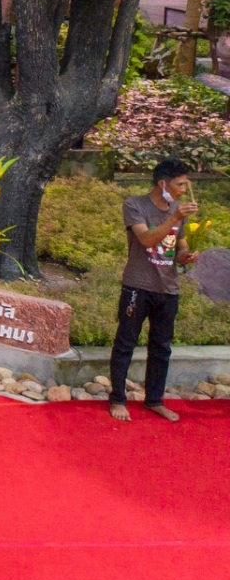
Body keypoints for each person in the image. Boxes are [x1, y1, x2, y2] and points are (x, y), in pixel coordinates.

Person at [112, 158, 199, 423]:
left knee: (162, 346)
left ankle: (154, 400)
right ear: (162, 183)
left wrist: (186, 256)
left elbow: (179, 246)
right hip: (138, 285)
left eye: (186, 183)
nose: (184, 189)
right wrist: (174, 216)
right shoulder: (135, 205)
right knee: (126, 343)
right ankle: (117, 399)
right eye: (180, 184)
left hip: (168, 287)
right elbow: (146, 239)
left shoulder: (178, 210)